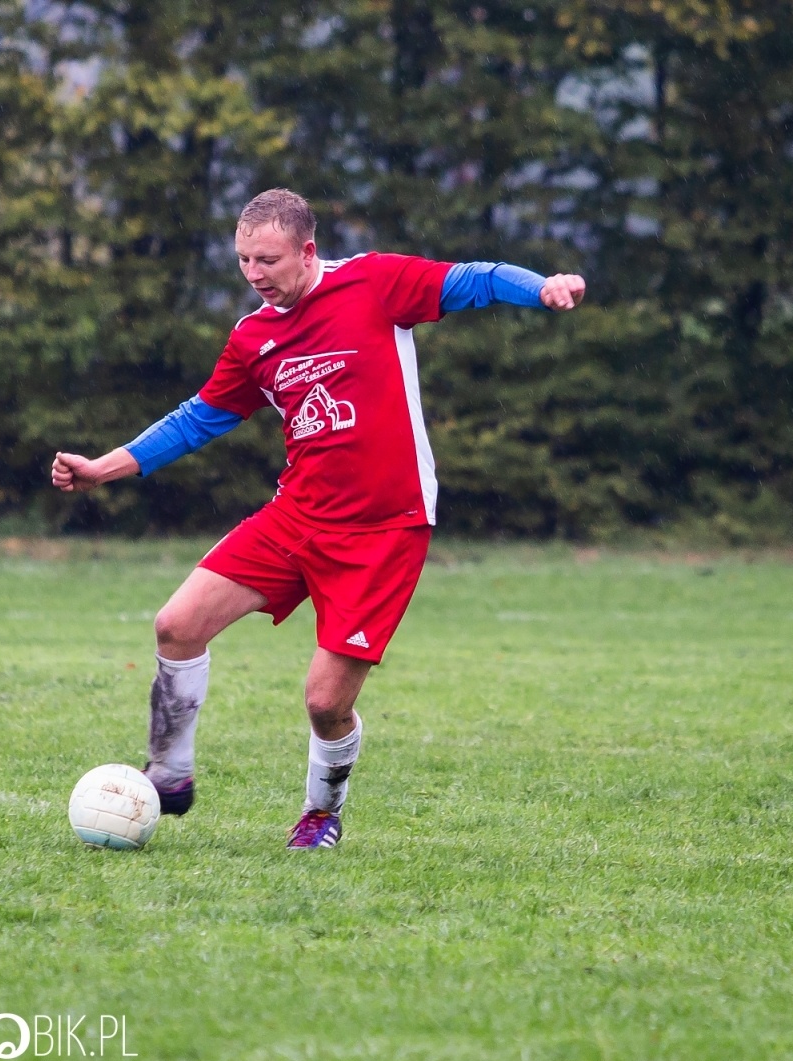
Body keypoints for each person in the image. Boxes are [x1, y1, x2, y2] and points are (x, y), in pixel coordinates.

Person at [52, 188, 585, 849]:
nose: (254, 274)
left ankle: (320, 814)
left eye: (267, 259)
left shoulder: (375, 283)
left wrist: (543, 289)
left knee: (325, 704)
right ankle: (170, 772)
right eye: (244, 260)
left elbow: (475, 280)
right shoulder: (253, 337)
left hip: (386, 530)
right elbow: (197, 420)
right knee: (177, 624)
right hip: (297, 516)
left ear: (308, 251)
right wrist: (105, 467)